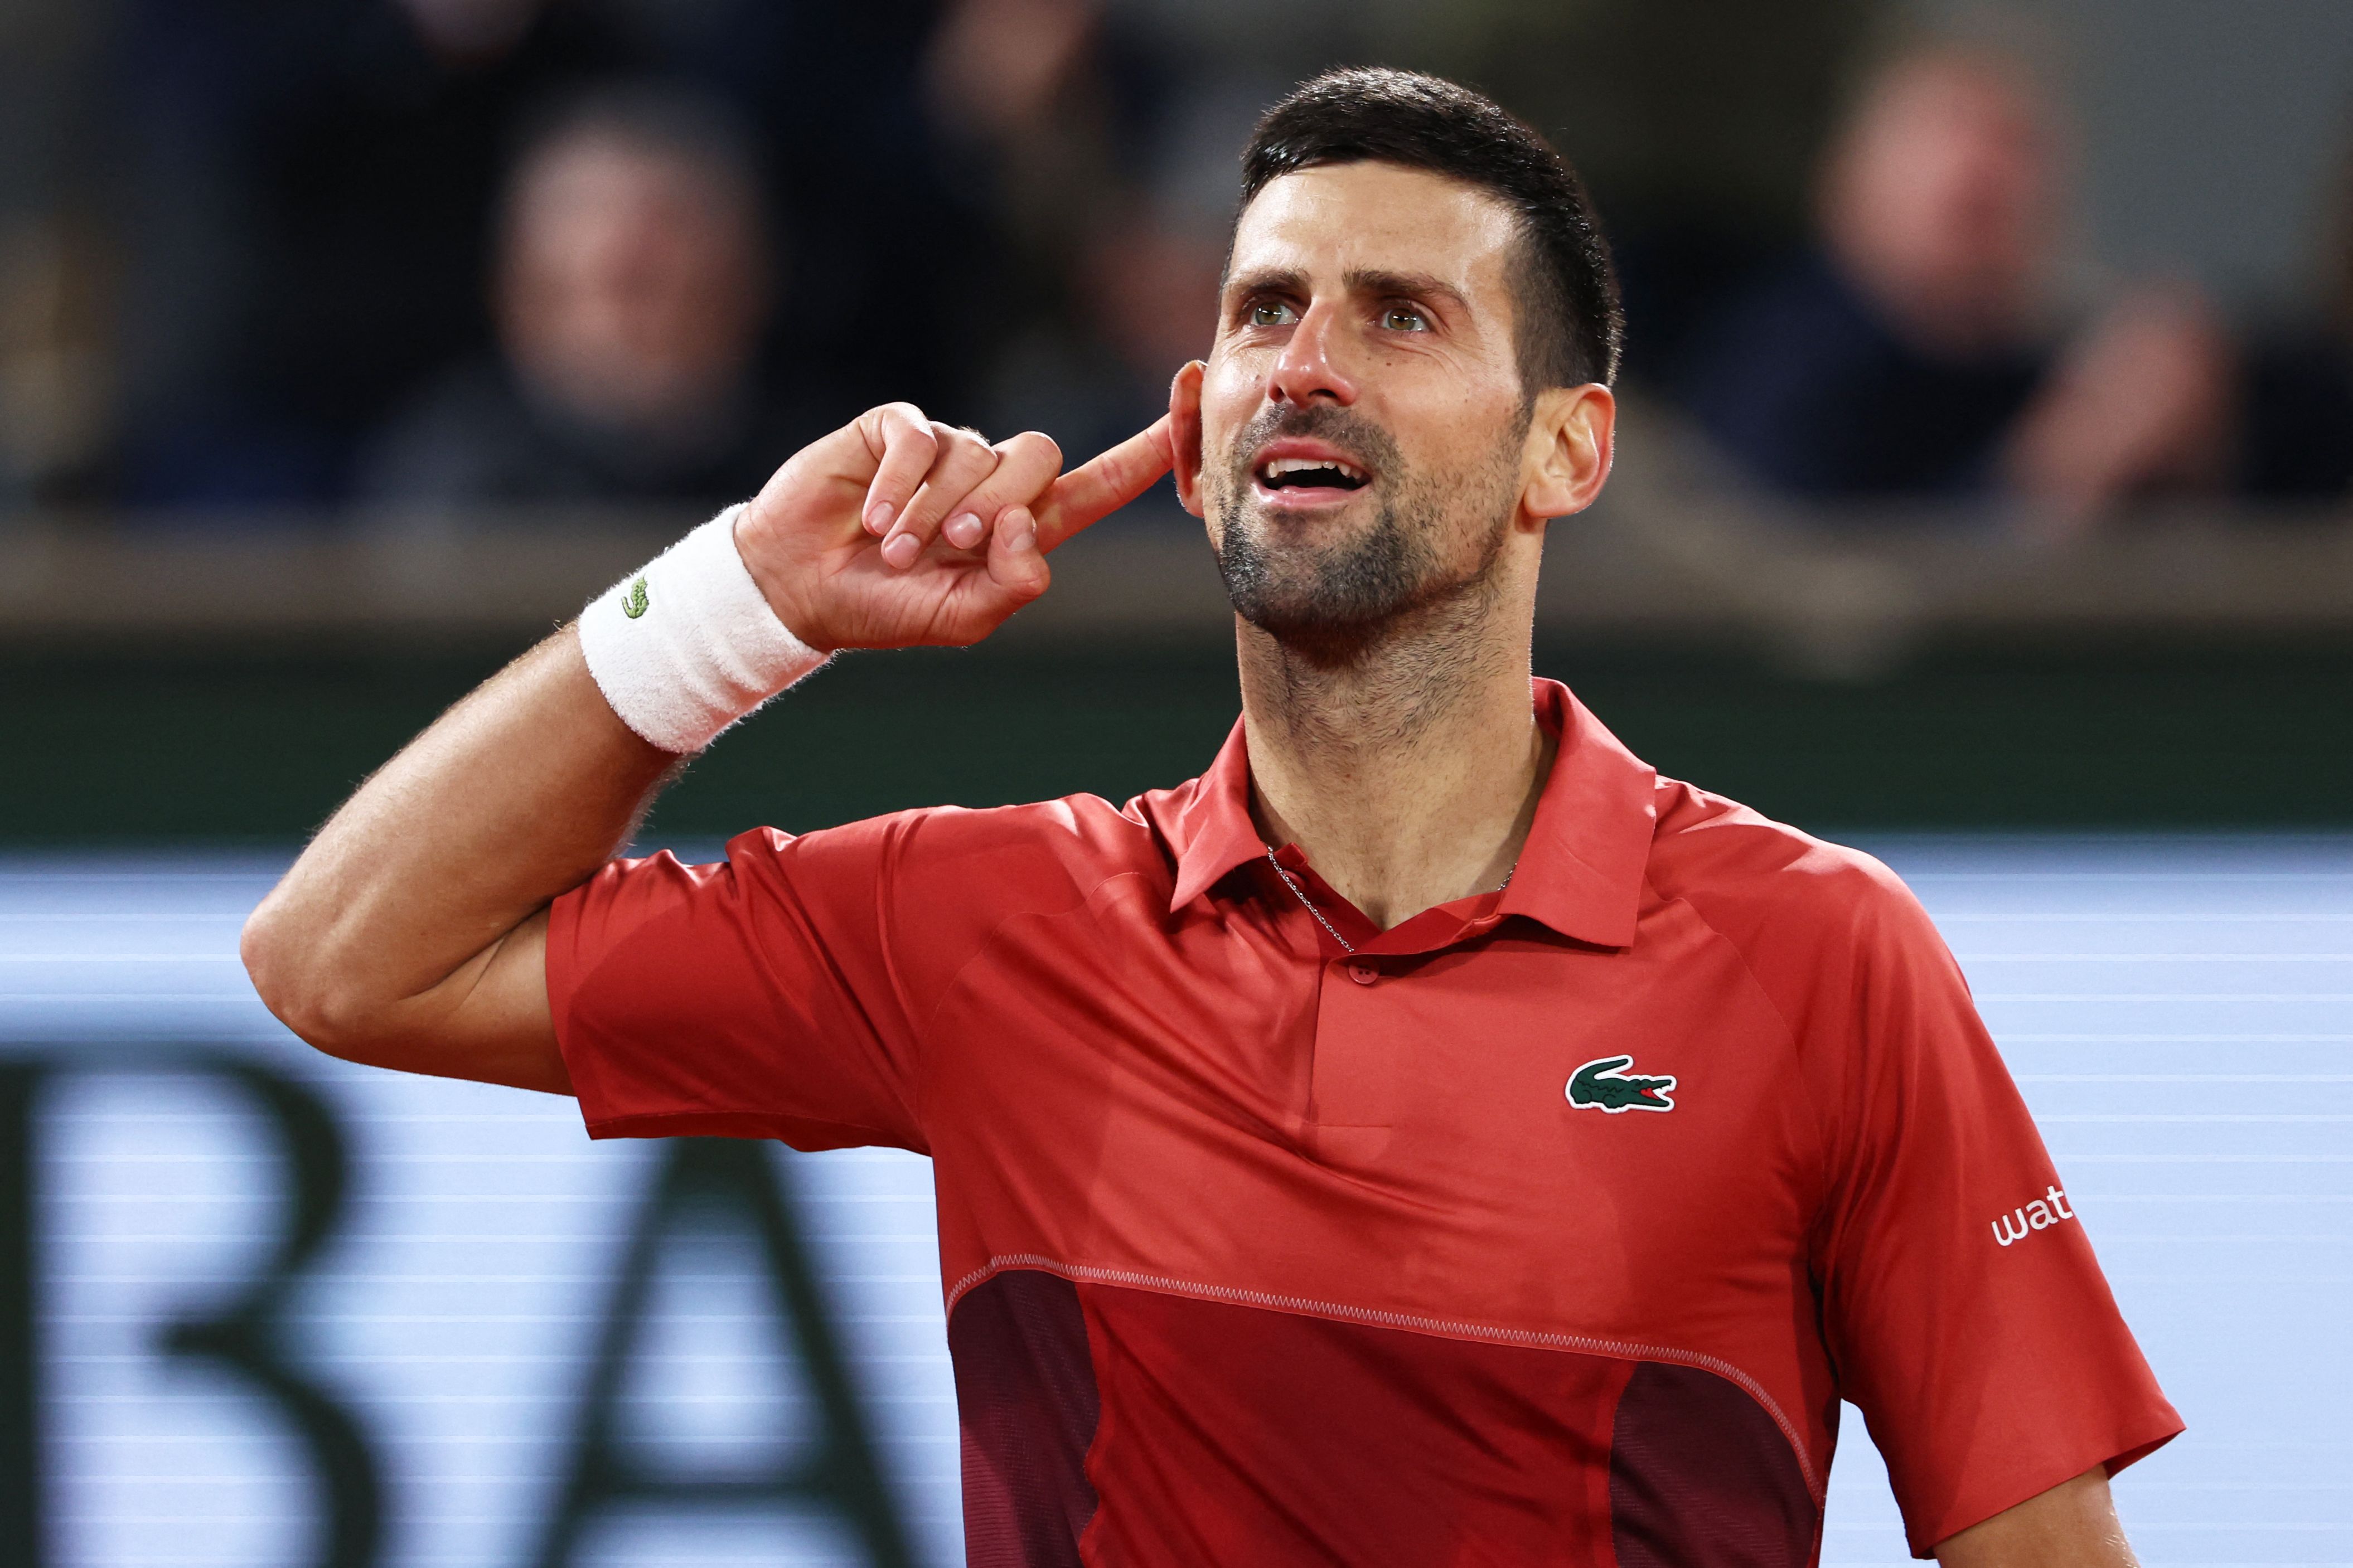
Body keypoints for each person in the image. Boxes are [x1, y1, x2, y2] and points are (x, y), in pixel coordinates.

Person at [245, 69, 2178, 1565]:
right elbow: (341, 959)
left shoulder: (1822, 957)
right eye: (1265, 312)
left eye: (1404, 315)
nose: (1305, 360)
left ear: (1566, 447)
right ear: (1193, 429)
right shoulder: (985, 927)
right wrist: (746, 606)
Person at [1678, 43, 2231, 525]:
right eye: (1947, 125)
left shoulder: (2041, 365)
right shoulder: (1778, 368)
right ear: (1845, 175)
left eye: (2015, 142)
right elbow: (1821, 604)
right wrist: (2069, 458)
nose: (1981, 165)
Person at [359, 86, 831, 508]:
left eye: (671, 223)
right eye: (586, 217)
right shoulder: (445, 480)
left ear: (748, 277)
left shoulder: (828, 469)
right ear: (519, 288)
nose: (625, 251)